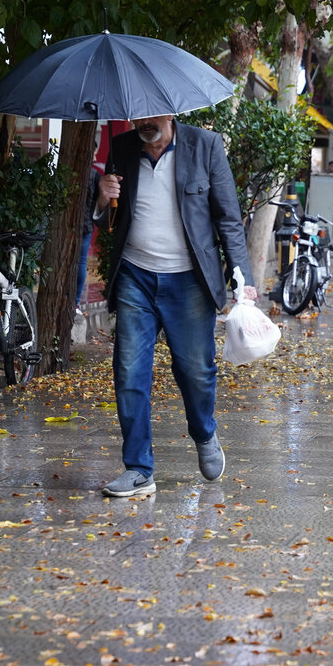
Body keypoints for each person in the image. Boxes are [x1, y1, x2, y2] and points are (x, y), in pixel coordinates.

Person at [93, 114, 257, 498]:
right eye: (138, 117)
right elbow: (108, 219)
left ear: (170, 112)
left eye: (152, 116)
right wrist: (103, 199)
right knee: (129, 370)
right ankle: (138, 468)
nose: (144, 123)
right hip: (135, 275)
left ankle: (203, 432)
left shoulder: (206, 146)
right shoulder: (122, 147)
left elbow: (228, 219)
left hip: (189, 279)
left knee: (196, 371)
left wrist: (242, 279)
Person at [76, 164, 100, 315]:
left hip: (70, 224)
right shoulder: (94, 175)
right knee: (81, 262)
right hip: (86, 225)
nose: (96, 157)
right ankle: (75, 302)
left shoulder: (70, 171)